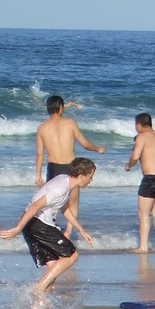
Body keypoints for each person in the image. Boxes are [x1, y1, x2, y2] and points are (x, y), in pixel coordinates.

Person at [0, 157, 96, 294]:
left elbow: (65, 209)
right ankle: (38, 288)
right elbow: (36, 205)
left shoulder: (65, 181)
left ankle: (38, 308)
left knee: (53, 269)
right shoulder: (61, 188)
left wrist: (81, 230)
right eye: (90, 177)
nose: (91, 180)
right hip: (38, 223)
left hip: (32, 225)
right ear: (81, 176)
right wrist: (17, 229)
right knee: (72, 256)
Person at [35, 95, 106, 238]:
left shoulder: (42, 128)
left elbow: (39, 153)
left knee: (52, 201)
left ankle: (51, 228)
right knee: (72, 203)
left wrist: (38, 175)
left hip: (53, 167)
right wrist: (97, 148)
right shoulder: (70, 123)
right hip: (71, 167)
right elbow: (85, 144)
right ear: (61, 108)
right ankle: (67, 232)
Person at [125, 113, 155, 252]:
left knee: (143, 213)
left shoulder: (141, 137)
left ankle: (143, 246)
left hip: (151, 178)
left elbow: (135, 156)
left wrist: (129, 165)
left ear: (139, 125)